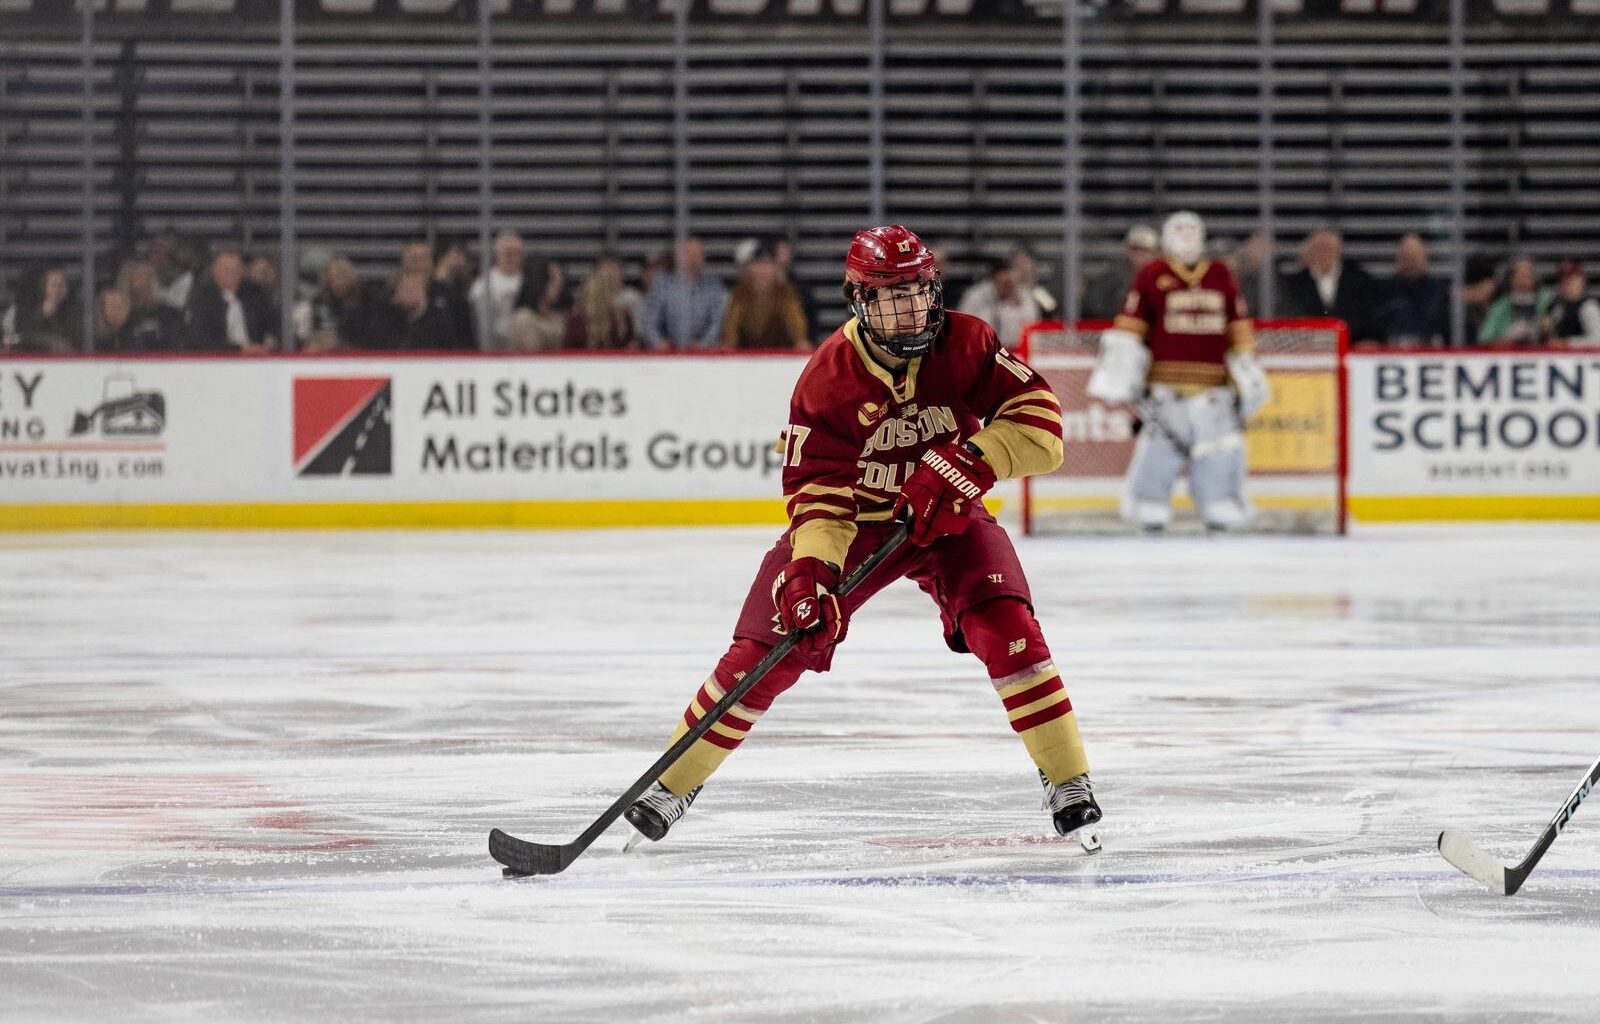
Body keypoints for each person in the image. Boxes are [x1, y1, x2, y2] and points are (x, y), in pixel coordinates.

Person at [621, 224, 1101, 849]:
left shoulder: (966, 342)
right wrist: (812, 572)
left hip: (949, 516)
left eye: (920, 292)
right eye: (892, 296)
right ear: (859, 301)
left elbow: (1042, 424)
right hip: (858, 524)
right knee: (774, 641)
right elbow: (820, 494)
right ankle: (672, 783)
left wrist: (972, 462)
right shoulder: (828, 379)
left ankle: (1068, 779)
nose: (911, 311)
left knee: (1005, 624)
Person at [1088, 211, 1269, 534]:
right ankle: (1149, 503)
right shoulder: (1152, 274)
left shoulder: (1220, 274)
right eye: (1178, 232)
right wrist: (1122, 372)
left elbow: (1237, 327)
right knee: (1160, 450)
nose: (1185, 239)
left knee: (1221, 449)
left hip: (1215, 387)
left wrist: (1246, 368)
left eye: (1190, 232)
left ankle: (1219, 503)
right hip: (1164, 386)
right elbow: (1131, 329)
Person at [1280, 226, 1385, 345]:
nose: (1324, 253)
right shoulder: (1294, 284)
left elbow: (1372, 317)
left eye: (1328, 248)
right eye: (1319, 248)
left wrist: (1369, 340)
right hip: (1309, 350)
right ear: (1310, 251)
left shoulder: (1361, 280)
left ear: (1339, 250)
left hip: (1353, 348)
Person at [720, 241, 811, 351]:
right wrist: (728, 345)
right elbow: (731, 327)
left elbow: (795, 322)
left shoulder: (784, 293)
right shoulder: (740, 294)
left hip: (778, 351)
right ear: (750, 268)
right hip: (747, 352)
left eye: (768, 266)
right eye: (759, 265)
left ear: (775, 269)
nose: (763, 271)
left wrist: (800, 340)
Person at [641, 235, 727, 350]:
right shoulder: (661, 285)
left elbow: (717, 322)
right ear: (678, 257)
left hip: (704, 354)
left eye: (698, 253)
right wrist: (658, 342)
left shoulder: (715, 287)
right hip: (667, 354)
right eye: (689, 253)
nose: (694, 258)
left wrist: (704, 343)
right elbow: (650, 321)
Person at [957, 257, 1041, 347]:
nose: (1008, 288)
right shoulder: (975, 297)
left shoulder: (1024, 295)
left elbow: (1033, 326)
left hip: (1016, 350)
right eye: (1004, 283)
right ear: (993, 281)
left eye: (1011, 283)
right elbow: (963, 329)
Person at [1382, 233, 1448, 348]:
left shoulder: (1438, 289)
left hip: (1431, 349)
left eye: (1415, 257)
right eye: (1407, 256)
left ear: (1425, 258)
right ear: (1399, 259)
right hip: (1395, 349)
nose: (1411, 262)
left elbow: (1443, 325)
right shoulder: (1386, 290)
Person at [1083, 223, 1159, 320]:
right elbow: (1095, 307)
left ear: (1156, 253)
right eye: (1135, 250)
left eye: (1145, 251)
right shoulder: (1111, 278)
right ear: (1127, 250)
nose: (1139, 255)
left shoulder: (1163, 279)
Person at [1477, 257, 1550, 346]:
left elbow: (1560, 339)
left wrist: (1545, 331)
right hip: (1509, 356)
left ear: (1535, 279)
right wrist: (1509, 339)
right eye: (1518, 275)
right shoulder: (1500, 306)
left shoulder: (1547, 302)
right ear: (1510, 279)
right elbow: (1484, 342)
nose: (1523, 281)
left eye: (1527, 276)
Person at [1544, 260, 1600, 345]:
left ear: (1582, 281)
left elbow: (1597, 339)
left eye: (1572, 279)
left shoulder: (1588, 306)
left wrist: (1567, 343)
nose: (1567, 283)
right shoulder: (1555, 305)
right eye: (1563, 280)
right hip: (1557, 356)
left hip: (1583, 357)